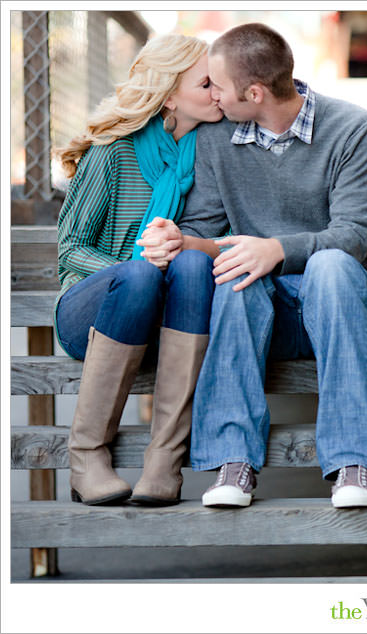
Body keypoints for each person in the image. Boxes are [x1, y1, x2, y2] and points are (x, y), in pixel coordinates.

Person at [147, 23, 367, 509]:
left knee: (329, 266)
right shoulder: (216, 139)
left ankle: (353, 464)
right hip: (269, 312)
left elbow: (357, 233)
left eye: (218, 85)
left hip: (348, 305)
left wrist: (277, 249)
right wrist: (183, 240)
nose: (212, 95)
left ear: (255, 92)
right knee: (238, 278)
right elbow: (207, 229)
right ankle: (232, 461)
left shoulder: (351, 127)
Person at [53, 33, 224, 507]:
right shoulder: (113, 151)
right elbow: (70, 252)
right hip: (93, 313)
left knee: (190, 263)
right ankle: (87, 456)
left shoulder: (214, 154)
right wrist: (135, 265)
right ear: (169, 93)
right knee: (143, 274)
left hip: (172, 322)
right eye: (207, 83)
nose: (219, 93)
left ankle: (163, 461)